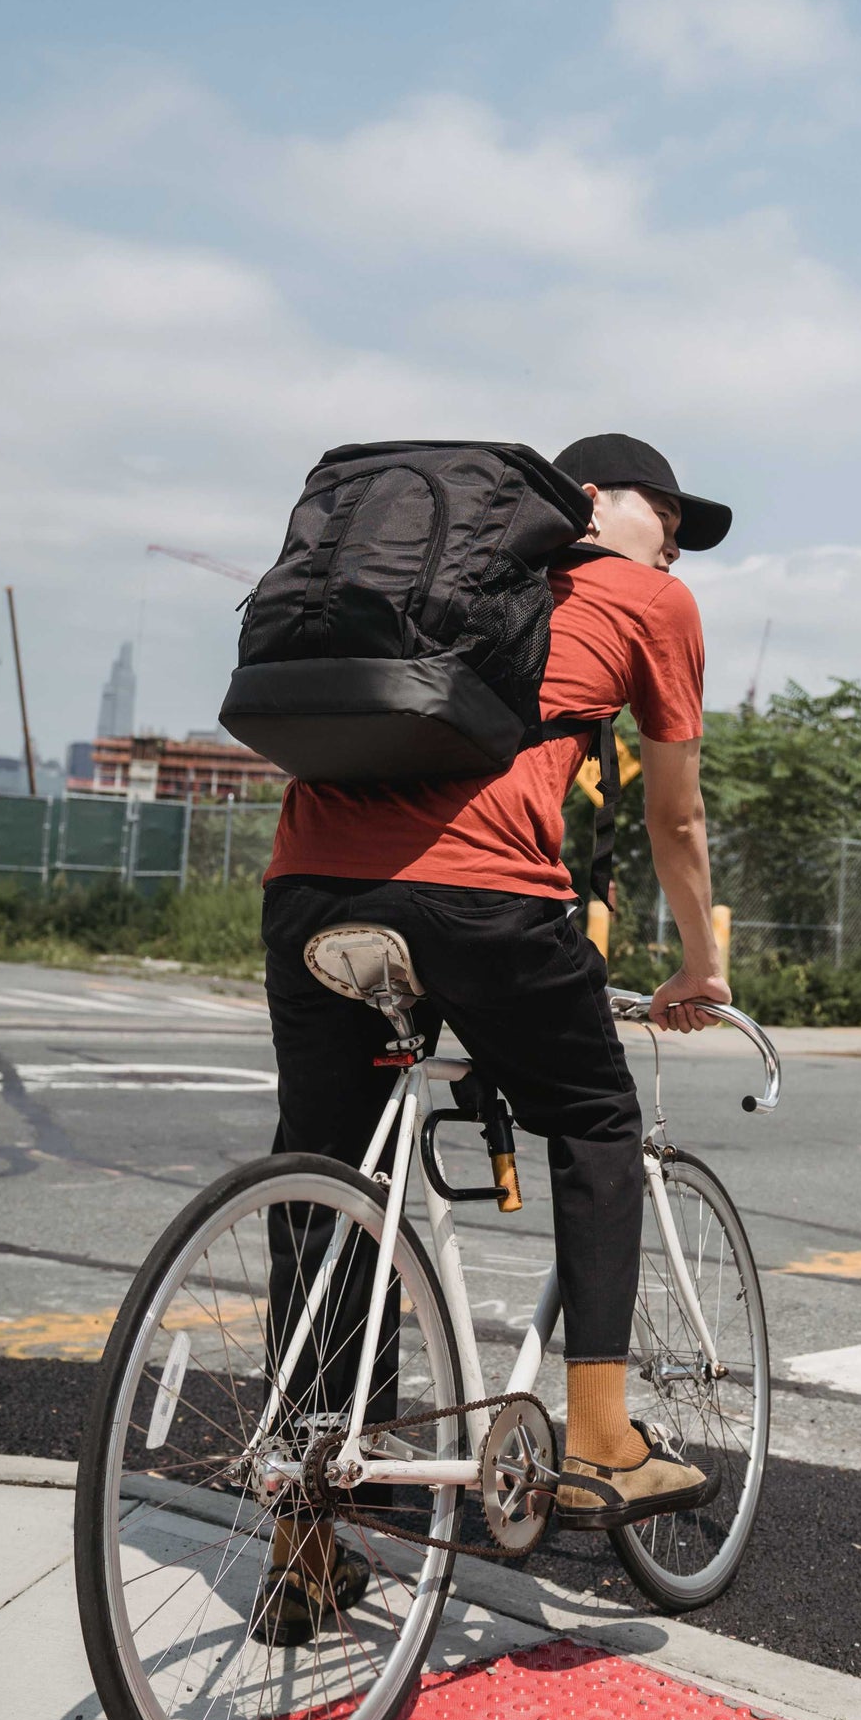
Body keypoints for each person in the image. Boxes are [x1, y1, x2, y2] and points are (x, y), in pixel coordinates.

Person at [255, 432, 734, 1642]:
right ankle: (600, 1435)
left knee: (325, 1178)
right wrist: (702, 960)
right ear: (608, 505)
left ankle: (304, 1538)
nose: (676, 537)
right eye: (667, 513)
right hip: (484, 901)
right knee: (593, 1113)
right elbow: (673, 818)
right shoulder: (650, 598)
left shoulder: (433, 576)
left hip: (311, 889)